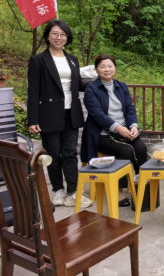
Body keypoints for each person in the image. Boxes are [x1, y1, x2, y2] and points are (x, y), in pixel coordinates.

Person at [27, 20, 92, 208]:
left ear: (67, 37)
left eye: (63, 34)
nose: (59, 37)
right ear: (48, 36)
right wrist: (33, 119)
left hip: (71, 112)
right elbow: (33, 91)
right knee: (53, 154)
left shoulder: (72, 59)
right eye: (55, 33)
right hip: (48, 114)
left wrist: (98, 81)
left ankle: (73, 191)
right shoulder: (38, 60)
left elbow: (76, 84)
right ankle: (58, 190)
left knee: (70, 154)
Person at [82, 55, 147, 207]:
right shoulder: (91, 89)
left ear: (115, 68)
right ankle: (119, 191)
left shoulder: (121, 86)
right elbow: (98, 114)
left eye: (110, 66)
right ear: (96, 69)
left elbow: (130, 109)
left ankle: (142, 186)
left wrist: (134, 126)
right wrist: (118, 128)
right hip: (102, 135)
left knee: (141, 148)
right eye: (102, 66)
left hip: (124, 132)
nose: (107, 69)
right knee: (126, 151)